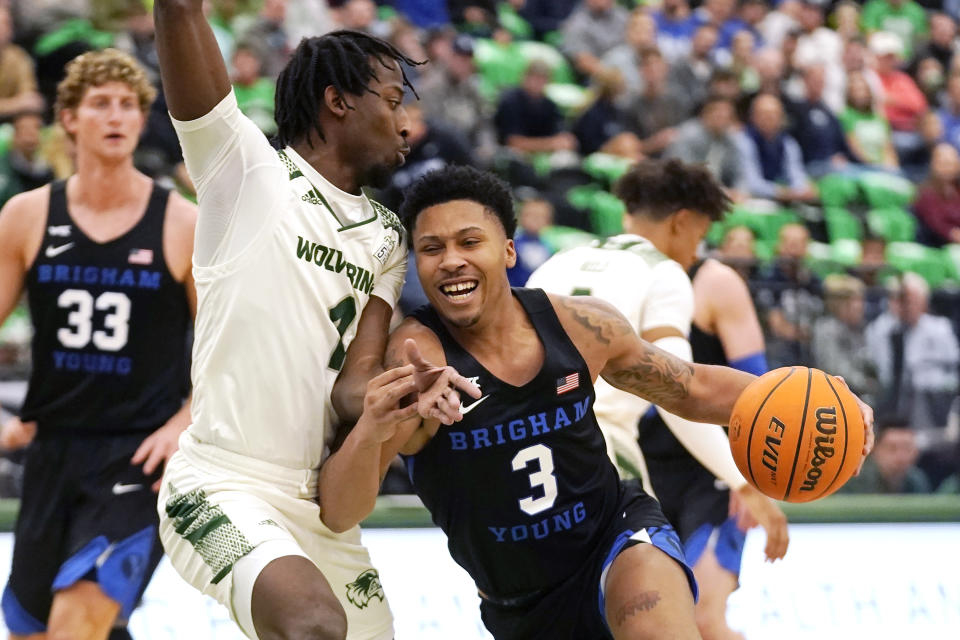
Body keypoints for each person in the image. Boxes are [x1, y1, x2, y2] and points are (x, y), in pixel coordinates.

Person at [321, 164, 873, 640]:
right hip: (521, 603)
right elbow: (340, 511)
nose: (451, 261)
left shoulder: (580, 325)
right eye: (431, 249)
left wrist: (829, 401)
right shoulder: (416, 363)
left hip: (615, 532)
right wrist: (378, 422)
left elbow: (692, 387)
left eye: (470, 242)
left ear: (508, 250)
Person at [151, 4, 466, 639]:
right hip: (219, 485)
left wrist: (402, 387)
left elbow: (353, 389)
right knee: (313, 626)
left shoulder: (386, 240)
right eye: (390, 99)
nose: (407, 122)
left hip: (319, 508)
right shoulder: (244, 171)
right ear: (336, 101)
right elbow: (180, 15)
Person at [527, 159, 789, 640]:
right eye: (701, 235)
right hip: (600, 454)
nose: (696, 252)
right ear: (682, 222)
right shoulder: (664, 272)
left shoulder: (555, 262)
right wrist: (747, 483)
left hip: (522, 459)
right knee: (663, 621)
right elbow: (676, 394)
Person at [0, 48, 197, 640]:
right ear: (69, 118)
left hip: (138, 457)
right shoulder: (28, 215)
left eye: (128, 106)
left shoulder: (180, 223)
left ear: (141, 120)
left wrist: (186, 420)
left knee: (75, 625)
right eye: (100, 104)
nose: (116, 116)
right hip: (52, 449)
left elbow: (228, 350)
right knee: (36, 633)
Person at [640, 255, 784, 640]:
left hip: (713, 472)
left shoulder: (716, 282)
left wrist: (749, 475)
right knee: (652, 626)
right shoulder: (624, 275)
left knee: (704, 618)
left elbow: (760, 388)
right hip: (640, 469)